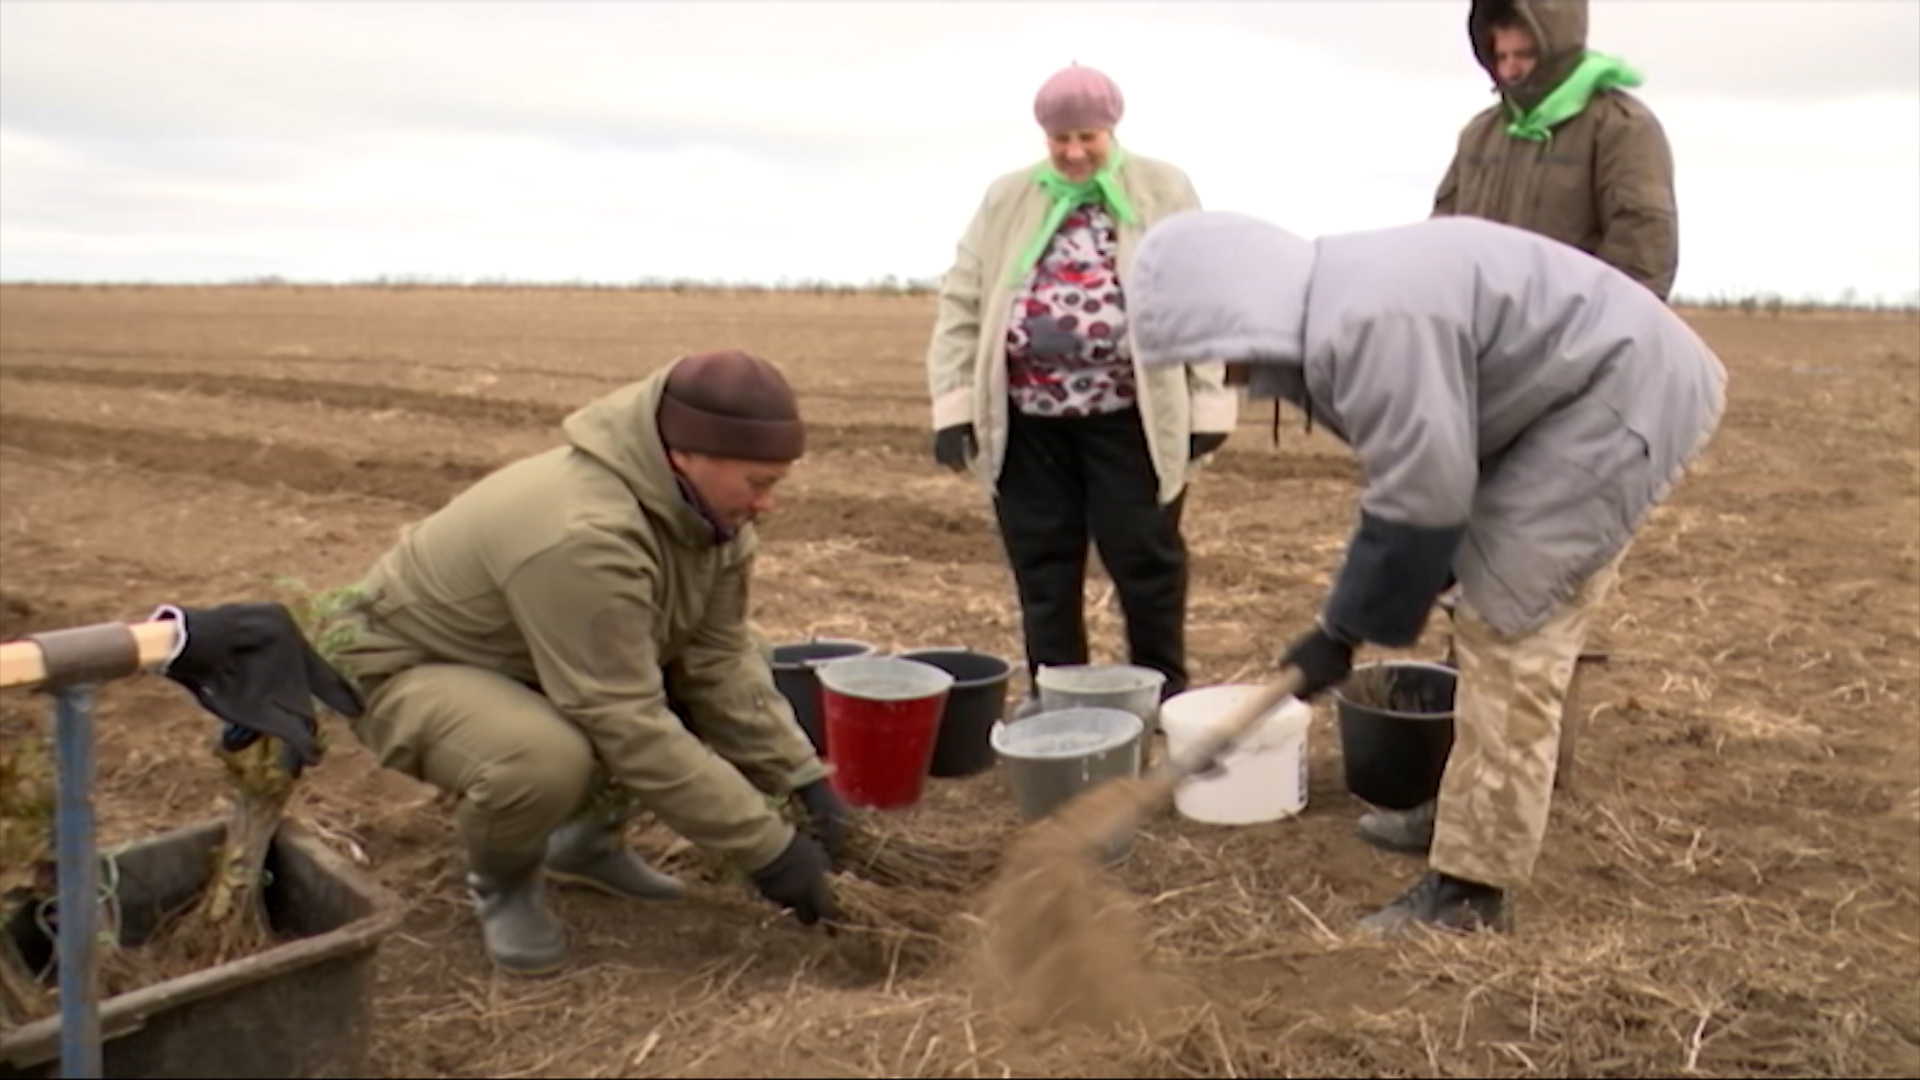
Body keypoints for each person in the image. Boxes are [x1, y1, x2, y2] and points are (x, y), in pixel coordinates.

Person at [1124, 208, 1726, 935]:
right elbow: (1421, 471)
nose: (1221, 372)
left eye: (1211, 346)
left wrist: (1339, 632)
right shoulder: (1345, 302)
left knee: (1511, 628)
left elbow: (1423, 491)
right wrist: (1373, 608)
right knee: (1479, 603)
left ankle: (1473, 886)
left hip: (1615, 402)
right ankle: (1467, 813)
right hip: (1558, 404)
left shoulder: (1372, 324)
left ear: (1242, 308)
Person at [318, 350, 852, 975]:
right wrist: (772, 854)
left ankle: (584, 845)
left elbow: (720, 659)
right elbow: (622, 717)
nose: (768, 505)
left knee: (739, 657)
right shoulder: (582, 534)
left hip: (532, 660)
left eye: (776, 483)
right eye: (757, 483)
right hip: (409, 666)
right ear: (685, 456)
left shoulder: (710, 518)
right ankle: (502, 883)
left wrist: (802, 782)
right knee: (540, 757)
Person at [1399, 0, 1682, 854]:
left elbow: (1642, 264)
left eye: (1524, 47)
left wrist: (1553, 373)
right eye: (1498, 47)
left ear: (1560, 40)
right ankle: (1469, 796)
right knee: (1474, 610)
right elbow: (1442, 247)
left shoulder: (1620, 129)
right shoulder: (1483, 134)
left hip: (1570, 408)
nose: (1511, 63)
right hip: (1479, 402)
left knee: (1526, 618)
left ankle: (1499, 825)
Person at [923, 62, 1237, 708]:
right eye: (1059, 139)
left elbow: (1202, 291)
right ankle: (1058, 698)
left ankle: (1163, 698)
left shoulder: (1161, 187)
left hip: (1130, 415)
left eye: (1085, 137)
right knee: (1042, 566)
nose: (1072, 152)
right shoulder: (1007, 197)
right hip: (1027, 419)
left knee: (1145, 560)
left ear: (1110, 130)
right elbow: (963, 297)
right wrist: (953, 406)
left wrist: (1208, 402)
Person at [1432, 0, 1680, 301]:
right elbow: (1442, 239)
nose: (1510, 69)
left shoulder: (1620, 128)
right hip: (1483, 336)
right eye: (1502, 56)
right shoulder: (1480, 136)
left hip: (1573, 336)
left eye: (1524, 55)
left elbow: (1642, 246)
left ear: (1555, 48)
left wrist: (1597, 336)